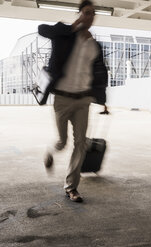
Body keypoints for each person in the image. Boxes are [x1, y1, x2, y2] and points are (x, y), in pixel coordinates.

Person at [38, 0, 108, 203]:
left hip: (83, 100)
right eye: (87, 12)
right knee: (62, 142)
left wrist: (102, 100)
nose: (90, 16)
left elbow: (100, 74)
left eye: (93, 13)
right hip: (62, 98)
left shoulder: (95, 45)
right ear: (79, 14)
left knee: (80, 144)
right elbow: (42, 29)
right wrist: (71, 28)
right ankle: (51, 151)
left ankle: (71, 187)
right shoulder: (64, 35)